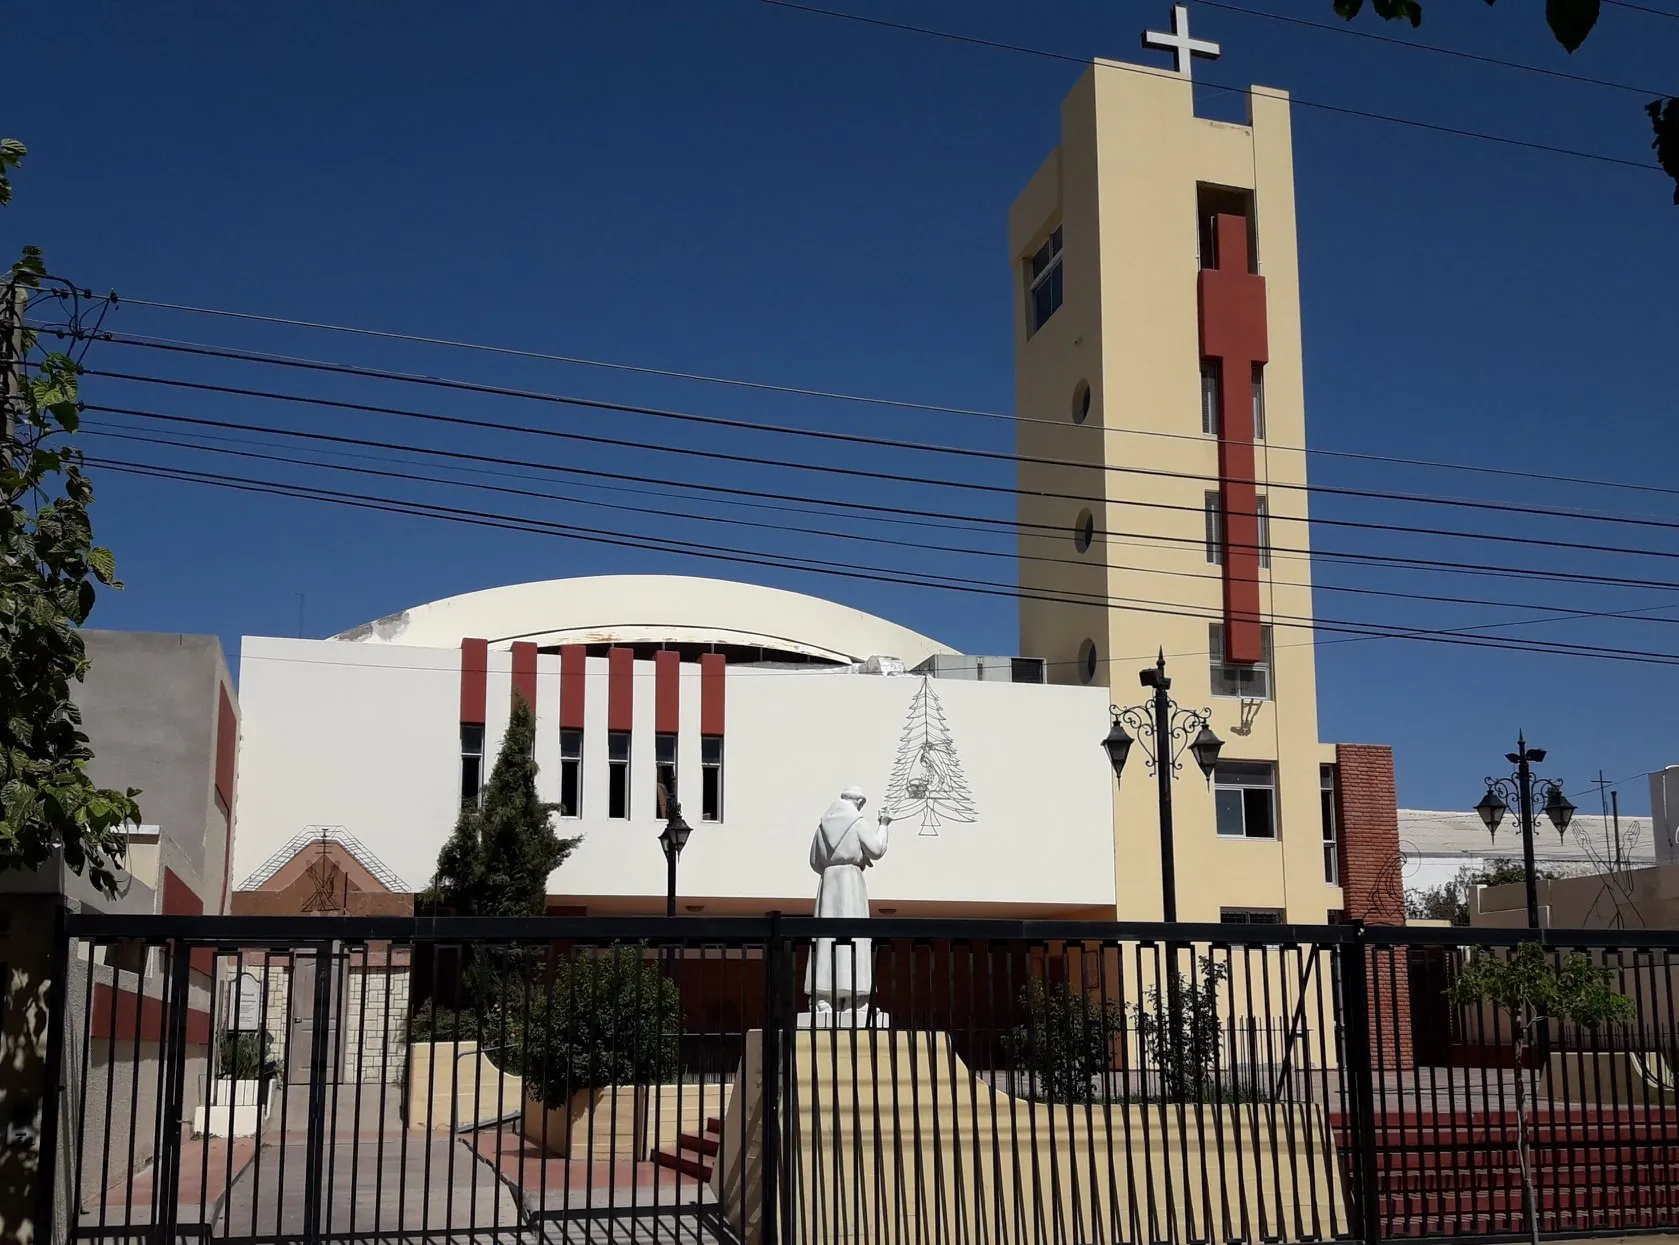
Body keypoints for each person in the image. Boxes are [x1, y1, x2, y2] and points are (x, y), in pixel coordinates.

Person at [805, 786, 891, 1018]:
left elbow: (814, 861)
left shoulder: (823, 825)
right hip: (850, 882)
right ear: (860, 802)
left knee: (826, 938)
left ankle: (823, 997)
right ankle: (856, 997)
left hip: (828, 883)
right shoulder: (857, 821)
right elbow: (877, 849)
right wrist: (883, 824)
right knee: (854, 936)